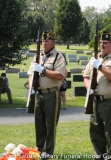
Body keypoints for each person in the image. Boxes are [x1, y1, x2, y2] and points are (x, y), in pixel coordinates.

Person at [83, 31, 111, 160]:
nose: (102, 45)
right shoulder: (95, 57)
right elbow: (85, 76)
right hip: (95, 100)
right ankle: (98, 156)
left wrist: (100, 67)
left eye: (105, 43)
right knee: (95, 131)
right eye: (101, 42)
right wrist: (89, 88)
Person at [27, 30, 66, 159]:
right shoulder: (37, 56)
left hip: (51, 94)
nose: (44, 43)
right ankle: (39, 149)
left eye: (47, 41)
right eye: (43, 41)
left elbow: (60, 75)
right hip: (38, 94)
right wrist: (32, 86)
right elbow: (31, 73)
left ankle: (48, 152)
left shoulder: (58, 57)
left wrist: (43, 70)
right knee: (39, 124)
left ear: (54, 42)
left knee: (50, 125)